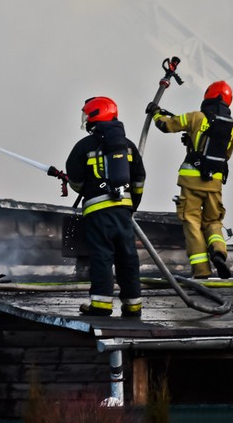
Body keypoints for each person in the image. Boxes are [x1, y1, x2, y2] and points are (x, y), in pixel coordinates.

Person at [146, 81, 233, 279]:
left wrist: (155, 113)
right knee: (213, 220)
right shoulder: (232, 129)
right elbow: (225, 155)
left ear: (208, 97)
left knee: (192, 222)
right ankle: (219, 251)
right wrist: (192, 140)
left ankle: (202, 270)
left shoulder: (196, 117)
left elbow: (166, 125)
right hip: (215, 183)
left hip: (191, 182)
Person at [66, 96, 147, 317]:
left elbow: (75, 180)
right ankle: (133, 306)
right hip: (123, 213)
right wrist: (131, 206)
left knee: (102, 256)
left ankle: (101, 305)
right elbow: (139, 179)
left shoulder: (83, 146)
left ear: (94, 116)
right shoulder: (128, 146)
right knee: (127, 257)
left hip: (97, 214)